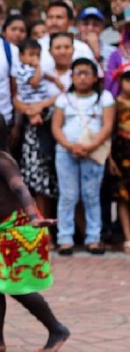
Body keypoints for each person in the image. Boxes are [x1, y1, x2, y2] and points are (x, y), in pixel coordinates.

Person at [0, 106, 69, 352]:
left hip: (23, 230)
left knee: (14, 286)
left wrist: (33, 216)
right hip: (4, 233)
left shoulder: (2, 161)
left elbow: (20, 188)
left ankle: (57, 329)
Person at [51, 58, 115, 255]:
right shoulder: (64, 99)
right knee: (68, 195)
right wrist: (70, 146)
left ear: (95, 77)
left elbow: (107, 125)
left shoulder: (104, 97)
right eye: (78, 73)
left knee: (91, 195)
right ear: (72, 76)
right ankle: (65, 238)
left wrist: (90, 146)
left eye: (87, 73)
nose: (82, 77)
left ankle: (93, 238)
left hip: (93, 151)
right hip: (66, 151)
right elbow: (56, 126)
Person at [16, 33, 74, 225]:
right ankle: (41, 228)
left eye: (36, 55)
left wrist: (42, 105)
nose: (34, 59)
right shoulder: (26, 71)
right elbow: (18, 98)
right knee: (37, 182)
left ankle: (57, 229)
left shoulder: (76, 72)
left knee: (54, 184)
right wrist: (32, 109)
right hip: (36, 135)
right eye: (30, 55)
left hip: (59, 134)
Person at [108, 64, 130, 253]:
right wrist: (109, 159)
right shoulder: (114, 104)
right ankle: (127, 237)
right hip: (122, 153)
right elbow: (109, 132)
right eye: (127, 79)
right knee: (123, 197)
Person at [77, 7, 114, 73]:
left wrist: (96, 52)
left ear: (102, 28)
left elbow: (109, 79)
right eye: (85, 24)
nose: (90, 28)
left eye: (95, 25)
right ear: (78, 26)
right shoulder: (71, 48)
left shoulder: (112, 52)